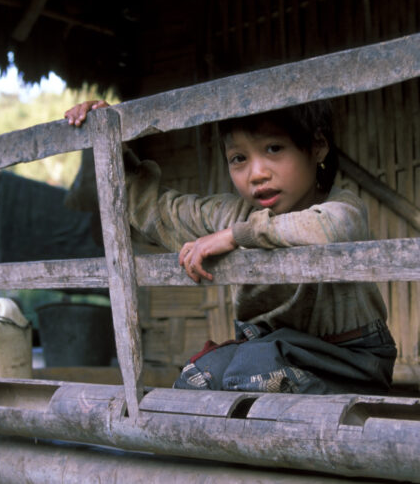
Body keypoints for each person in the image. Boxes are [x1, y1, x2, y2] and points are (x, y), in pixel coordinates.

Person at [63, 99, 397, 395]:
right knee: (197, 379)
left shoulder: (343, 207)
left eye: (274, 149)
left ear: (318, 146)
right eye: (239, 158)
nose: (256, 174)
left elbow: (324, 227)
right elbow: (156, 211)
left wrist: (235, 237)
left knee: (251, 371)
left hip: (349, 360)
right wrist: (106, 142)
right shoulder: (229, 214)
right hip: (266, 354)